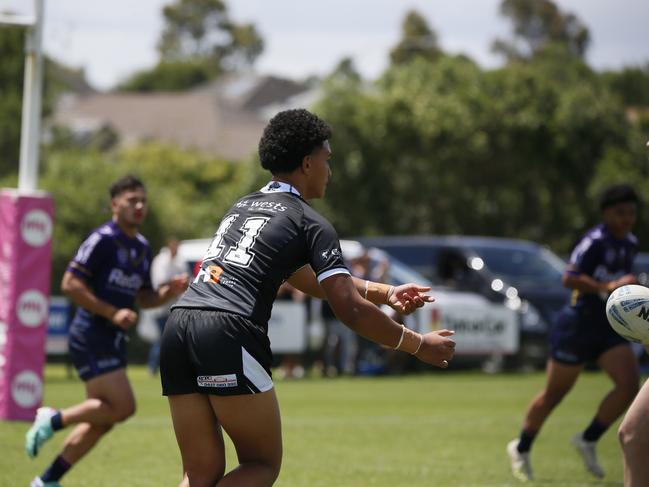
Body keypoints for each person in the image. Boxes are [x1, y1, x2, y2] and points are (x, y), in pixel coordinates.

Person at [159, 108, 456, 487]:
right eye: (326, 160)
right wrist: (417, 344)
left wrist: (384, 292)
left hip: (180, 323)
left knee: (199, 474)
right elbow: (348, 309)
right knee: (261, 464)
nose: (329, 171)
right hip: (226, 330)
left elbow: (302, 276)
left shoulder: (242, 206)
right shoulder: (310, 222)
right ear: (306, 162)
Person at [25, 175, 189, 487]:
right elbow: (70, 284)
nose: (139, 206)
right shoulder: (103, 239)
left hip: (111, 338)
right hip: (90, 333)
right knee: (123, 407)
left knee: (103, 420)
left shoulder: (141, 247)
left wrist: (169, 291)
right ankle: (53, 419)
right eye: (132, 200)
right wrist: (112, 312)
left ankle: (46, 481)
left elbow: (143, 297)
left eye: (143, 200)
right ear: (115, 205)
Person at [507, 183, 641, 482]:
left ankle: (589, 438)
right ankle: (522, 446)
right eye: (620, 213)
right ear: (606, 213)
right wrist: (607, 286)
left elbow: (619, 287)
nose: (627, 219)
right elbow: (569, 277)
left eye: (631, 213)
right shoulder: (595, 241)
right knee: (556, 393)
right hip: (578, 324)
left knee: (629, 385)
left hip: (609, 326)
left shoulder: (629, 242)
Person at [148, 237, 188, 375]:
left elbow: (185, 280)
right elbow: (159, 282)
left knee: (167, 339)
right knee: (163, 339)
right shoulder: (161, 260)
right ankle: (154, 367)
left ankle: (161, 367)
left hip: (174, 306)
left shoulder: (179, 261)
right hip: (161, 307)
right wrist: (175, 284)